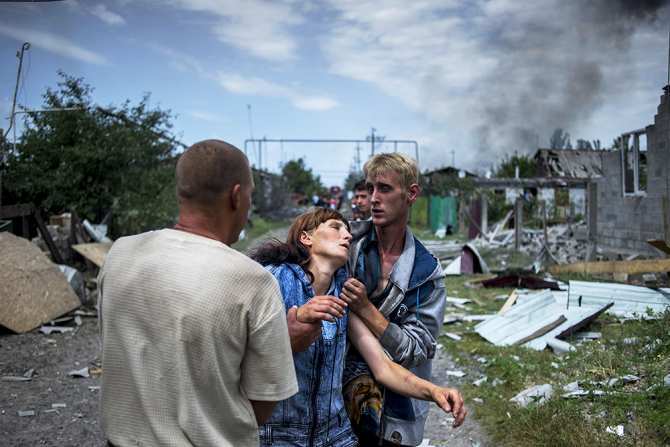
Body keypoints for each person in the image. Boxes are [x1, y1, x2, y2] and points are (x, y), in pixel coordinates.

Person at [98, 140, 298, 446]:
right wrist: (287, 342)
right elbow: (261, 404)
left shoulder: (120, 254)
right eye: (250, 194)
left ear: (181, 192)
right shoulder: (253, 281)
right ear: (236, 196)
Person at [251, 207, 465, 447]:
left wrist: (434, 391)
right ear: (306, 237)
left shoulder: (342, 296)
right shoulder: (274, 280)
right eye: (335, 227)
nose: (347, 235)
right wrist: (291, 327)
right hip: (278, 436)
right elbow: (240, 351)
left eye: (347, 230)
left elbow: (383, 367)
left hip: (334, 436)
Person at [342, 153, 446, 446]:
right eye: (371, 188)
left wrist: (365, 308)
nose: (374, 198)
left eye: (385, 189)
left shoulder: (426, 273)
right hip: (337, 402)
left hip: (396, 410)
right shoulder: (347, 245)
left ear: (411, 194)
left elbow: (416, 350)